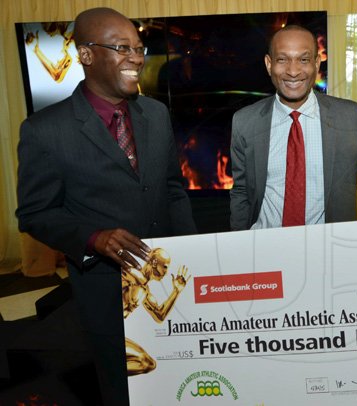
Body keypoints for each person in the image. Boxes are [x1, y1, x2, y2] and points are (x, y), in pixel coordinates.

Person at [15, 7, 197, 405]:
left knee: (182, 379)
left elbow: (172, 188)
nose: (135, 57)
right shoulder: (44, 131)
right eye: (121, 48)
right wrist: (93, 237)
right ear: (85, 55)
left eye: (138, 47)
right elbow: (34, 214)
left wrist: (194, 254)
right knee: (123, 386)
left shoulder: (157, 113)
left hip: (167, 282)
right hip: (106, 292)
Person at [229, 25, 357, 230]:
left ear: (317, 64)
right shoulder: (245, 122)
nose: (293, 71)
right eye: (282, 60)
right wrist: (239, 245)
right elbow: (242, 192)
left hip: (328, 248)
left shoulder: (347, 116)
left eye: (304, 59)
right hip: (264, 246)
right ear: (268, 64)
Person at [122, 248, 188, 376]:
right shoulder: (130, 272)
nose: (166, 272)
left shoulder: (145, 292)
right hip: (102, 325)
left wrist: (176, 291)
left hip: (116, 334)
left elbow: (160, 316)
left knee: (147, 363)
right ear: (153, 263)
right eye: (165, 267)